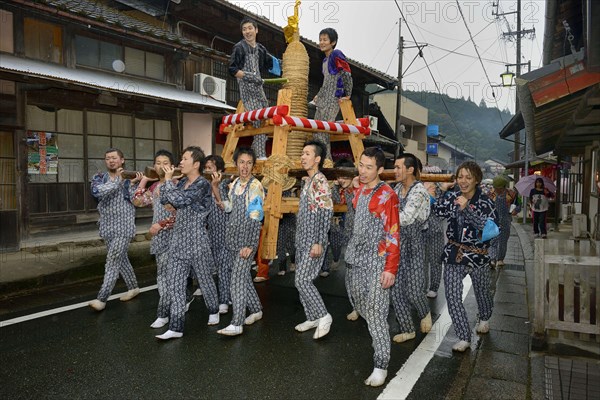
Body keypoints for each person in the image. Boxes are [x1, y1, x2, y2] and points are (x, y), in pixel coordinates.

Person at [344, 147, 400, 387]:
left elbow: (394, 233)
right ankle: (378, 333)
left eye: (369, 167)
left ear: (380, 170)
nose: (363, 171)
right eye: (361, 165)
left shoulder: (387, 195)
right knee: (359, 302)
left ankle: (381, 364)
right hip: (356, 260)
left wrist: (390, 268)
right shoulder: (360, 191)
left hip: (378, 262)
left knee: (376, 313)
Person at [432, 161, 498, 352]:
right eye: (460, 177)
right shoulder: (453, 195)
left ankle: (485, 317)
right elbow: (438, 211)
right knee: (452, 296)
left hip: (478, 256)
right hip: (454, 253)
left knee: (482, 292)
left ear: (476, 180)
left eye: (468, 177)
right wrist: (440, 192)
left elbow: (491, 229)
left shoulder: (486, 202)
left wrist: (467, 208)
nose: (463, 181)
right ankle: (463, 336)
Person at [155, 146, 220, 340]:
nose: (180, 162)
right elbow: (166, 199)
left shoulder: (202, 184)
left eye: (184, 159)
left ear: (196, 164)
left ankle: (214, 309)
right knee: (175, 284)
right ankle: (176, 327)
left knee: (205, 280)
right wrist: (169, 187)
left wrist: (167, 183)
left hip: (197, 241)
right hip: (177, 241)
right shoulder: (181, 181)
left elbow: (180, 201)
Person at [212, 147, 265, 336]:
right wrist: (217, 191)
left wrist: (250, 245)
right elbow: (228, 208)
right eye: (242, 162)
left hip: (246, 242)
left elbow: (256, 216)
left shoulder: (255, 186)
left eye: (249, 163)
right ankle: (257, 310)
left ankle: (237, 323)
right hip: (233, 239)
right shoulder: (235, 184)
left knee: (236, 281)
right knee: (243, 279)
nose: (245, 166)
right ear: (236, 164)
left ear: (253, 166)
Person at [88, 148, 140, 311]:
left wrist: (135, 184)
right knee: (120, 258)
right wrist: (117, 180)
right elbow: (97, 192)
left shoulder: (129, 179)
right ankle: (133, 287)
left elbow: (136, 200)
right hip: (107, 226)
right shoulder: (99, 178)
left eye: (114, 158)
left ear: (122, 160)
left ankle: (102, 298)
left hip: (124, 226)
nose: (111, 160)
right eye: (107, 158)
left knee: (112, 259)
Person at [131, 150, 178, 328]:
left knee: (170, 276)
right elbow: (137, 201)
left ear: (172, 166)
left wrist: (162, 224)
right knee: (162, 275)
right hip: (159, 237)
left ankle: (165, 312)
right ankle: (169, 309)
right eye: (157, 162)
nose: (161, 166)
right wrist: (144, 180)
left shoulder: (176, 185)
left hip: (174, 236)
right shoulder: (155, 187)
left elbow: (180, 214)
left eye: (165, 162)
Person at [294, 140, 334, 339]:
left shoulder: (320, 181)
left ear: (317, 159)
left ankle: (324, 315)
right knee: (300, 280)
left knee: (302, 280)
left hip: (313, 240)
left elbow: (326, 212)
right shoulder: (307, 181)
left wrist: (319, 241)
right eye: (302, 153)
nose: (303, 157)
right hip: (302, 239)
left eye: (307, 153)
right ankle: (312, 317)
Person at [390, 153, 432, 343]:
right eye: (395, 167)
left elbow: (405, 218)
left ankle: (425, 312)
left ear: (410, 169)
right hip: (396, 244)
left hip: (415, 244)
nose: (395, 171)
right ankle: (407, 329)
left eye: (399, 167)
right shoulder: (397, 188)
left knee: (414, 290)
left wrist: (385, 215)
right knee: (396, 290)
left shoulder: (419, 192)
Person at [229, 17, 274, 160]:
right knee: (257, 119)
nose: (247, 31)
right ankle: (260, 154)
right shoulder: (239, 47)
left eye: (250, 28)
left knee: (266, 116)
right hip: (247, 88)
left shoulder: (261, 49)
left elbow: (271, 64)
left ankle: (255, 152)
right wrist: (249, 76)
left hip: (259, 88)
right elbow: (233, 69)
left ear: (256, 30)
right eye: (244, 29)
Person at [312, 28, 353, 161]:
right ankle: (320, 160)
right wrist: (318, 95)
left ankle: (327, 162)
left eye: (325, 39)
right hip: (324, 99)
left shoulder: (336, 54)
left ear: (333, 42)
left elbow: (346, 73)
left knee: (324, 131)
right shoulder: (324, 61)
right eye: (320, 39)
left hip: (334, 98)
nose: (322, 42)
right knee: (316, 131)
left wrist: (348, 93)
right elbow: (326, 82)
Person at [319, 158, 355, 278]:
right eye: (339, 176)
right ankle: (330, 263)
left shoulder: (359, 190)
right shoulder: (342, 189)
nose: (341, 179)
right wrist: (334, 188)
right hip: (344, 225)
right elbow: (337, 201)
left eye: (344, 176)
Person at [205, 155, 232, 314]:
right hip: (211, 230)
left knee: (223, 266)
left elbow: (225, 206)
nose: (207, 170)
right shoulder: (203, 184)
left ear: (220, 170)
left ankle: (224, 299)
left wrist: (215, 186)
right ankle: (224, 294)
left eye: (211, 167)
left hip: (224, 228)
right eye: (206, 167)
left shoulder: (226, 183)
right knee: (214, 264)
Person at [488, 175, 520, 267]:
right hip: (493, 220)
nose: (498, 190)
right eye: (496, 188)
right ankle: (492, 259)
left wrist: (515, 210)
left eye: (500, 188)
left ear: (504, 187)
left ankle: (500, 259)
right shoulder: (491, 194)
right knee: (492, 241)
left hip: (506, 220)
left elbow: (518, 205)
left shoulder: (511, 194)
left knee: (503, 241)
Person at [423, 182, 445, 299]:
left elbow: (443, 213)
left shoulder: (439, 196)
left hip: (436, 232)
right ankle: (423, 287)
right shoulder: (419, 194)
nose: (431, 188)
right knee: (422, 261)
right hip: (421, 232)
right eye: (428, 186)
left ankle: (433, 287)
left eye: (432, 186)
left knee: (435, 261)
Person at [276, 189, 297, 276]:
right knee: (280, 245)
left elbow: (293, 207)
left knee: (291, 244)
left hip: (290, 219)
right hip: (279, 220)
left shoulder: (290, 192)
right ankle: (282, 267)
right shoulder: (275, 191)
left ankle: (293, 262)